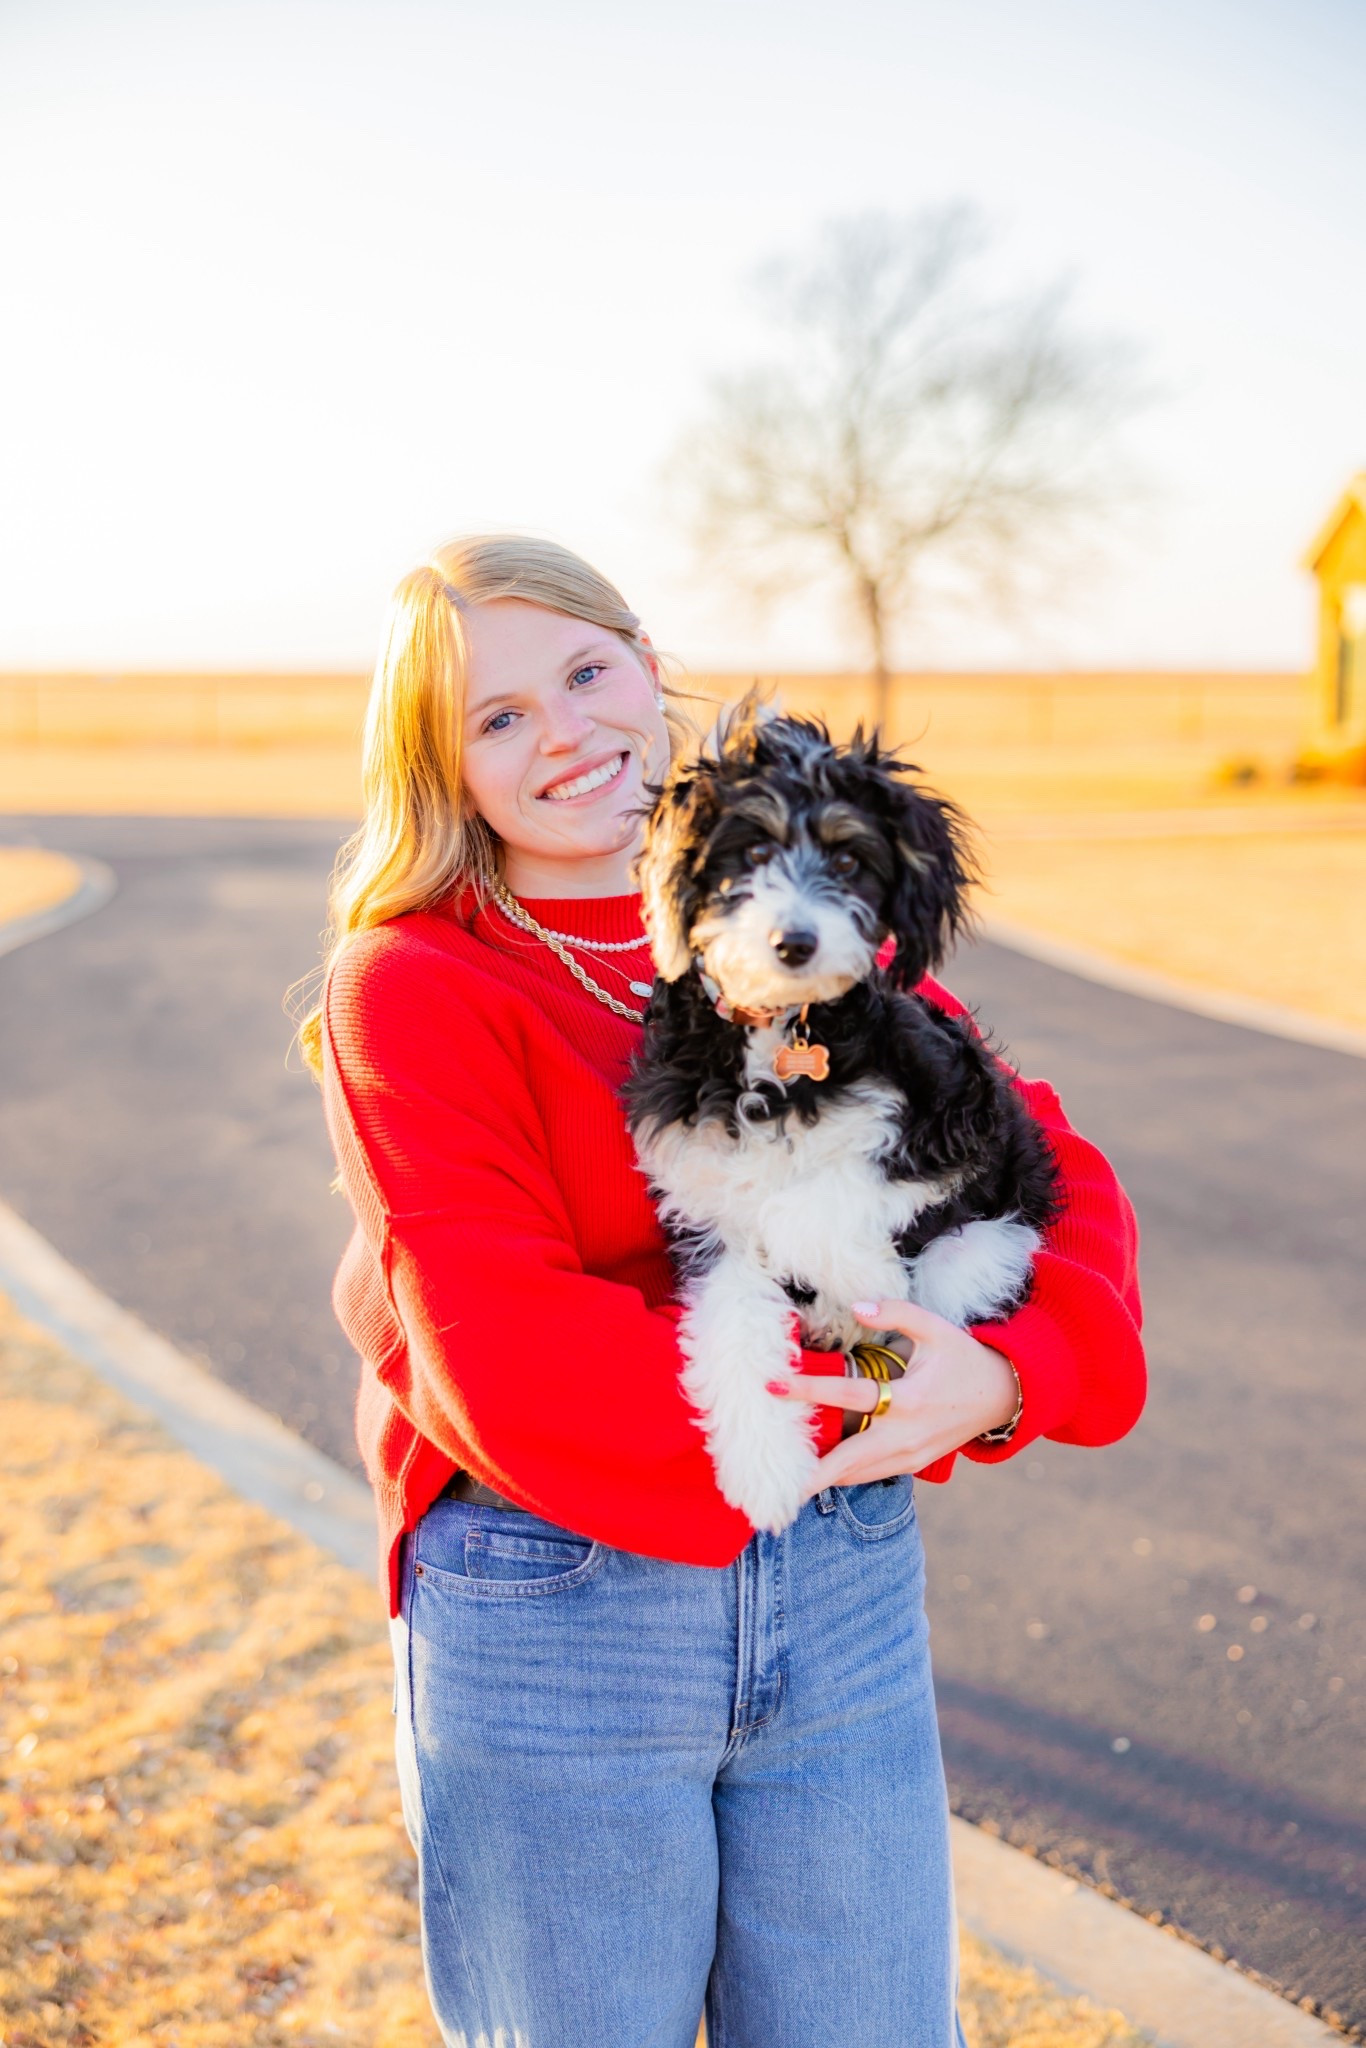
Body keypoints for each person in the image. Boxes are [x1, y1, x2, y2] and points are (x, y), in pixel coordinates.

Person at [302, 535, 1145, 2048]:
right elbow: (507, 1355)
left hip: (838, 1585)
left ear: (644, 664)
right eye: (494, 717)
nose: (562, 729)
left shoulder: (792, 916)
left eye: (582, 669)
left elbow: (1050, 1167)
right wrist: (874, 1385)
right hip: (558, 1611)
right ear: (440, 769)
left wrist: (1012, 1375)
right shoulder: (414, 984)